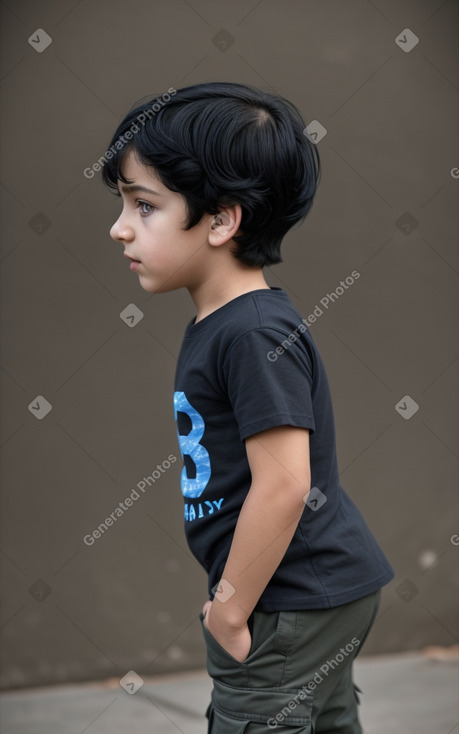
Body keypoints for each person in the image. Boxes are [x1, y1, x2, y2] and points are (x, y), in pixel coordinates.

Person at [102, 81, 394, 733]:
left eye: (143, 205)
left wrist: (229, 610)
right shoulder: (228, 325)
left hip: (285, 599)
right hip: (309, 591)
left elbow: (286, 484)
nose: (118, 227)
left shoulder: (251, 332)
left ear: (221, 219)